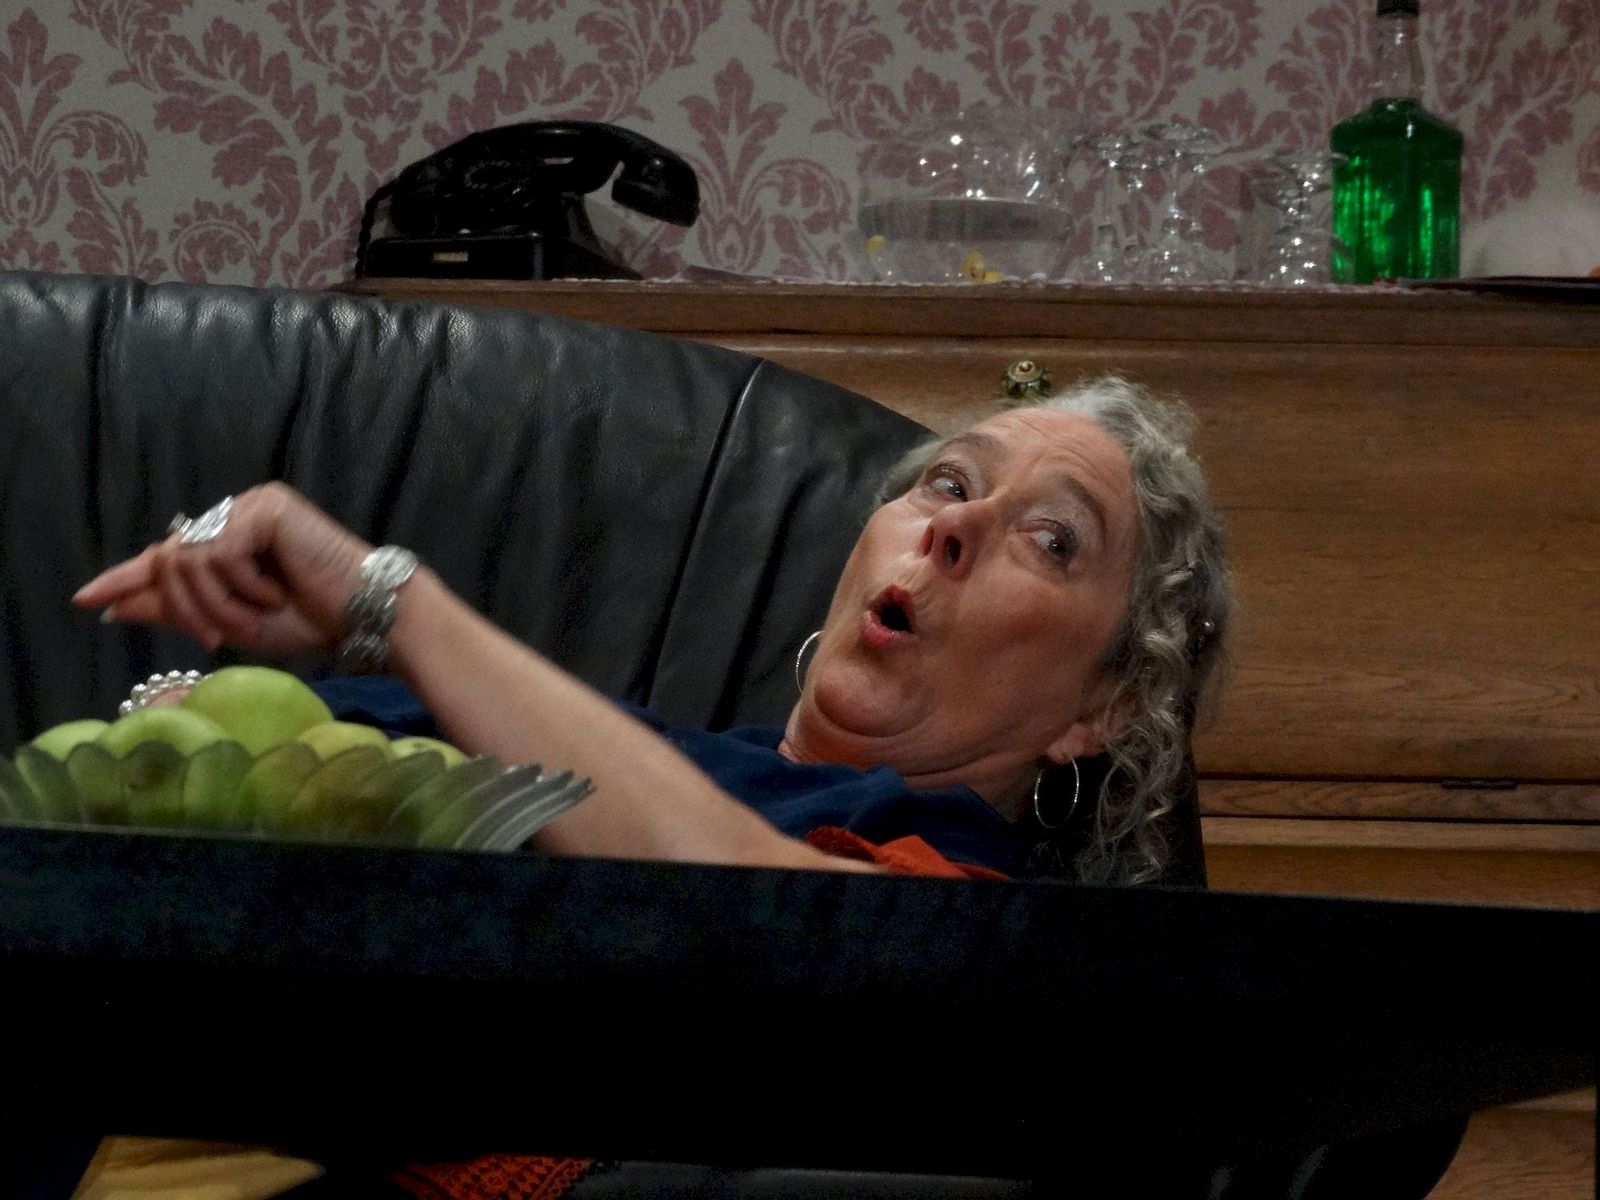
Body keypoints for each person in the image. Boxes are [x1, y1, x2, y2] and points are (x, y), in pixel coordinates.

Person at [73, 375, 1229, 886]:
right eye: (945, 481)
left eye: (1051, 540)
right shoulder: (646, 750)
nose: (956, 524)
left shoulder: (965, 898)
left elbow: (771, 921)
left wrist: (385, 598)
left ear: (1107, 705)